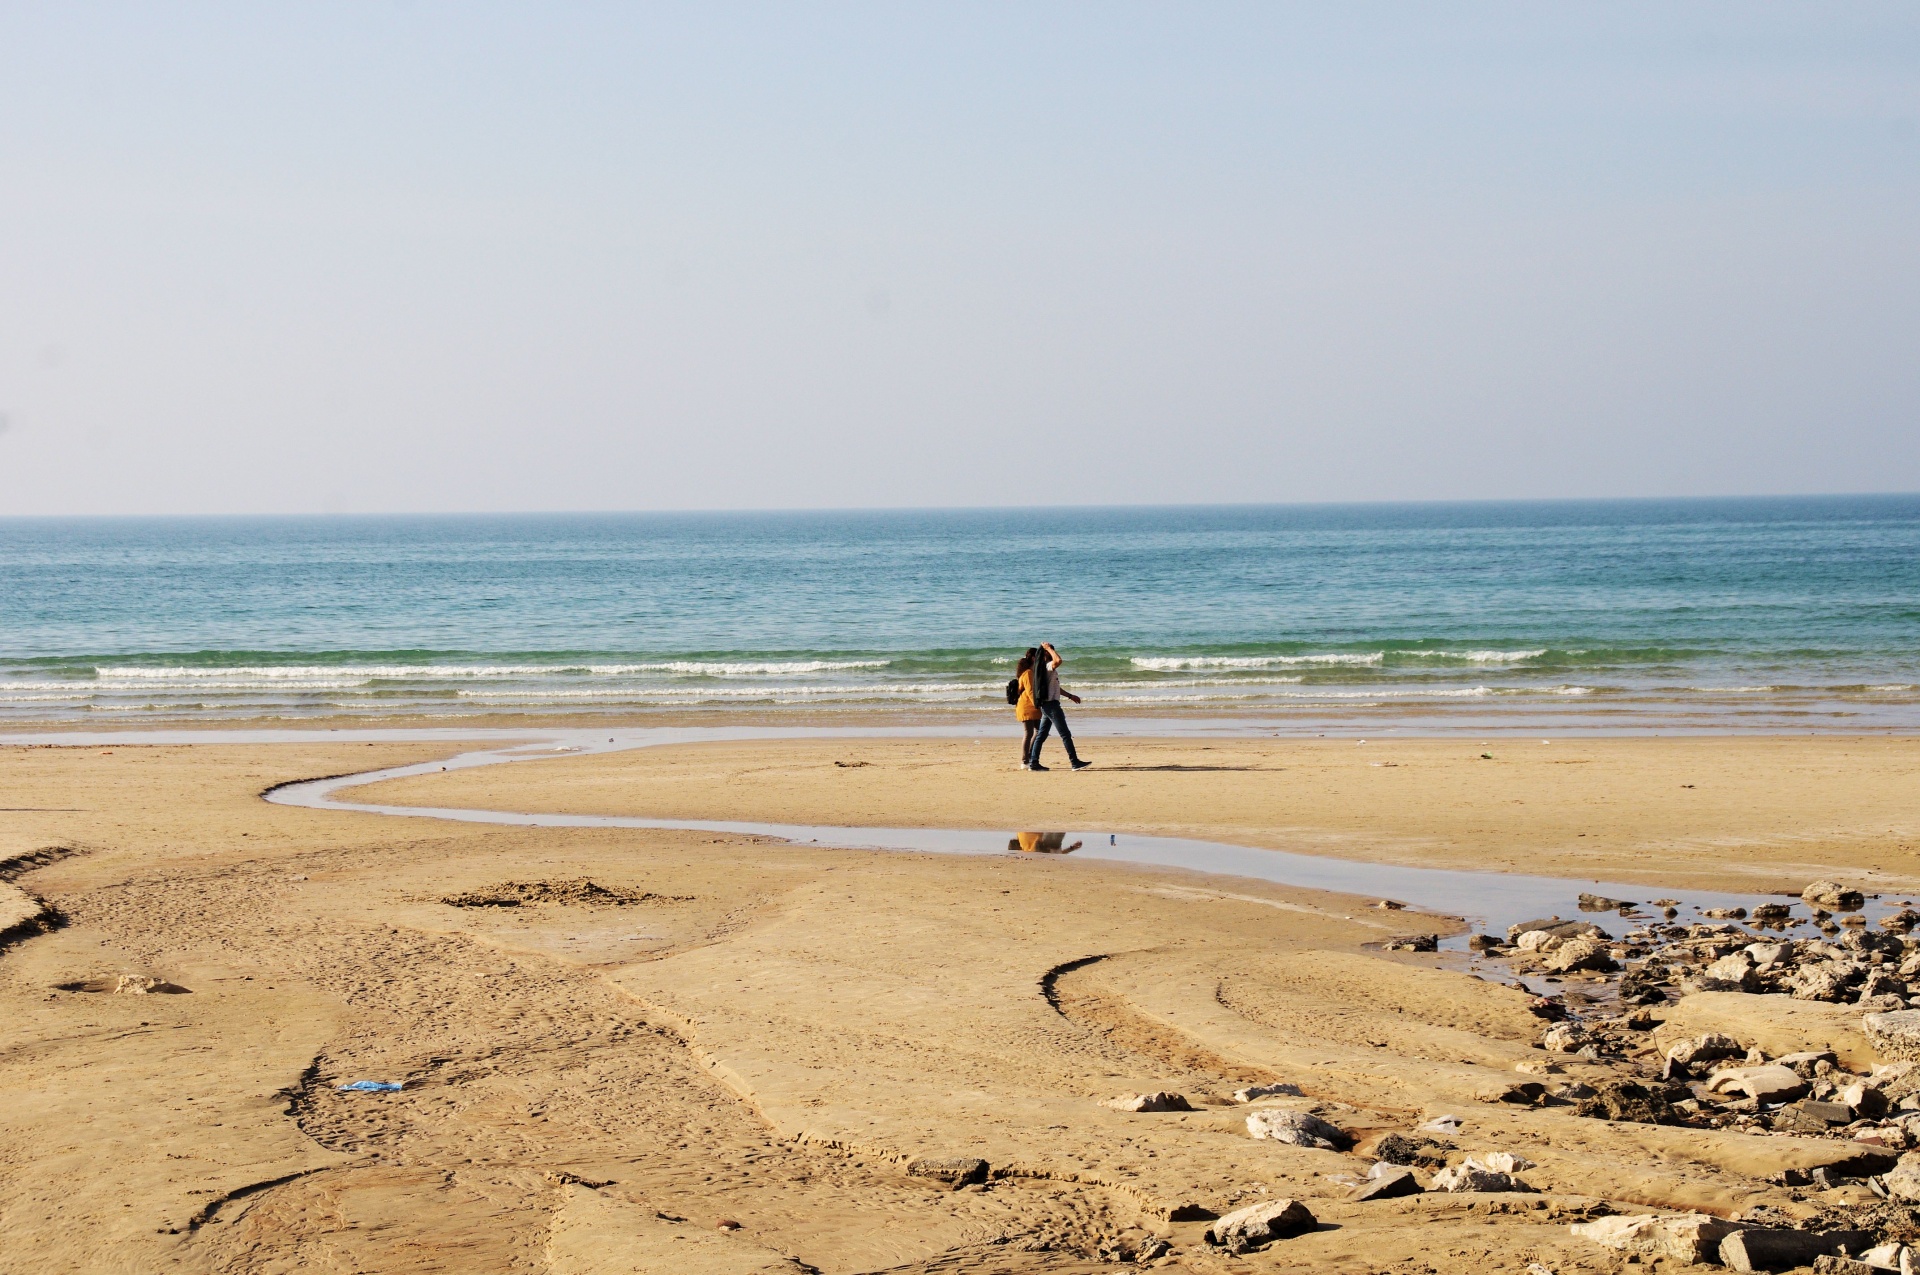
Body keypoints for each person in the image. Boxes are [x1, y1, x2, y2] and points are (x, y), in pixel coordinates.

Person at [1025, 641, 1089, 771]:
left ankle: (1034, 763)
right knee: (1065, 733)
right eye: (1051, 652)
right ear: (1047, 654)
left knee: (1042, 734)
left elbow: (1055, 687)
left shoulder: (1043, 668)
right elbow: (1058, 660)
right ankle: (1074, 762)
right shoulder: (1047, 666)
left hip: (1048, 705)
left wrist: (1070, 696)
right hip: (1051, 705)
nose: (1054, 653)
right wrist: (1048, 649)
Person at [1012, 648, 1043, 767]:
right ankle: (1025, 760)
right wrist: (1038, 705)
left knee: (1038, 731)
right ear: (1034, 658)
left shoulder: (1028, 672)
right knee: (1030, 732)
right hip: (1027, 707)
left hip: (1028, 706)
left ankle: (1030, 757)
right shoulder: (1028, 673)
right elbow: (1030, 692)